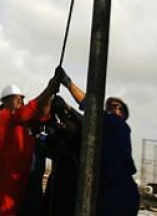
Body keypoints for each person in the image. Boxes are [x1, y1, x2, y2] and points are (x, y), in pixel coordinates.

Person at [58, 67, 140, 216]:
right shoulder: (104, 129)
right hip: (110, 191)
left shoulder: (116, 124)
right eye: (109, 106)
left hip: (117, 192)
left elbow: (90, 107)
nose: (111, 109)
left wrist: (67, 83)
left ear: (123, 115)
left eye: (116, 107)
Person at [0, 73, 62, 216]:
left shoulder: (25, 122)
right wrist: (48, 88)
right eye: (17, 98)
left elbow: (42, 113)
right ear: (5, 102)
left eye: (22, 99)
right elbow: (28, 110)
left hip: (20, 177)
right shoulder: (4, 116)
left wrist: (50, 94)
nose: (21, 101)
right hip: (5, 176)